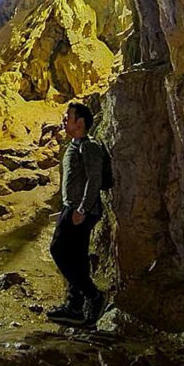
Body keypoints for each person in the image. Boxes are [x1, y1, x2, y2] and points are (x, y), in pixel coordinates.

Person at [46, 102, 107, 325]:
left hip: (79, 210)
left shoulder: (89, 146)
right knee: (77, 258)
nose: (64, 120)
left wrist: (82, 208)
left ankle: (93, 295)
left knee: (58, 249)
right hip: (72, 207)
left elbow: (95, 179)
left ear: (80, 122)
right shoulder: (75, 145)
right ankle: (75, 307)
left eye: (68, 117)